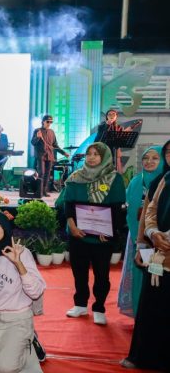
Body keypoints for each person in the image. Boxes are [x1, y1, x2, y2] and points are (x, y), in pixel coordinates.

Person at [0, 212, 46, 373]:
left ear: (5, 228)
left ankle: (30, 342)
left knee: (6, 367)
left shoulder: (21, 253)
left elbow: (36, 292)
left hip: (18, 318)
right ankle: (16, 346)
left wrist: (18, 263)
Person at [63, 142, 125, 325]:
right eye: (88, 154)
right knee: (79, 273)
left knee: (102, 275)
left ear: (104, 157)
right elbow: (68, 204)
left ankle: (99, 307)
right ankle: (80, 304)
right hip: (78, 235)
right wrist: (72, 226)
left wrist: (110, 231)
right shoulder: (76, 177)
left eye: (96, 154)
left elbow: (118, 208)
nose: (91, 157)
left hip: (102, 237)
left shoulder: (114, 178)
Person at [122, 140, 170, 371]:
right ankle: (143, 356)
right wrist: (150, 235)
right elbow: (148, 211)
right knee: (151, 306)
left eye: (157, 157)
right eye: (168, 152)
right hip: (157, 252)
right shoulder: (163, 180)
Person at [118, 146, 164, 317]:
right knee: (139, 273)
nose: (149, 161)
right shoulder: (136, 181)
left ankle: (154, 315)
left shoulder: (165, 182)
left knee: (156, 275)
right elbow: (128, 207)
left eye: (155, 158)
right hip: (138, 236)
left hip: (159, 239)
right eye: (146, 158)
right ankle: (139, 312)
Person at [31, 115, 69, 196]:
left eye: (51, 122)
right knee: (41, 173)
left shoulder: (52, 132)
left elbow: (55, 145)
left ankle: (44, 191)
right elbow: (33, 142)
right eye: (48, 121)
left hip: (50, 155)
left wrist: (63, 153)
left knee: (47, 174)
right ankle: (39, 191)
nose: (49, 123)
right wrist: (37, 137)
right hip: (41, 155)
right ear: (43, 122)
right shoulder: (37, 130)